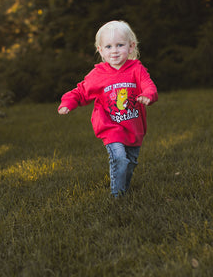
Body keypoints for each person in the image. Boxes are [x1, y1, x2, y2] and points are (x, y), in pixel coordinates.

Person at [58, 20, 158, 197]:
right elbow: (80, 91)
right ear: (100, 50)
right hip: (110, 127)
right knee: (119, 158)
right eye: (109, 46)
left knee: (130, 162)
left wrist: (148, 95)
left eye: (120, 45)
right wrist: (68, 103)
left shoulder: (137, 69)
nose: (115, 51)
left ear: (131, 46)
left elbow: (148, 85)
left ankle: (124, 189)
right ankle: (117, 196)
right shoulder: (98, 74)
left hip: (134, 126)